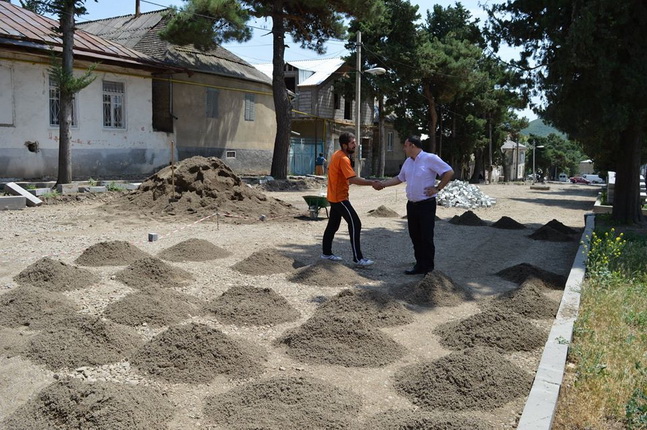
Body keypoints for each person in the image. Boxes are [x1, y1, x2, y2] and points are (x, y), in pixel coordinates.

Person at [373, 135, 454, 275]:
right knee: (415, 236)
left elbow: (449, 171)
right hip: (412, 205)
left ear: (412, 146)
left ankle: (428, 269)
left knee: (426, 237)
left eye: (405, 146)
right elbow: (400, 178)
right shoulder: (408, 162)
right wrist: (383, 184)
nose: (403, 149)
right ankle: (419, 265)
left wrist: (438, 188)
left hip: (426, 205)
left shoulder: (430, 158)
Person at [321, 132, 376, 267]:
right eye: (352, 143)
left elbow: (336, 174)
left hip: (333, 196)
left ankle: (326, 253)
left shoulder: (336, 154)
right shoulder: (343, 158)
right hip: (339, 198)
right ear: (345, 145)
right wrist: (372, 182)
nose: (355, 145)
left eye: (354, 142)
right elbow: (353, 179)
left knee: (333, 225)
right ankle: (358, 259)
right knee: (355, 223)